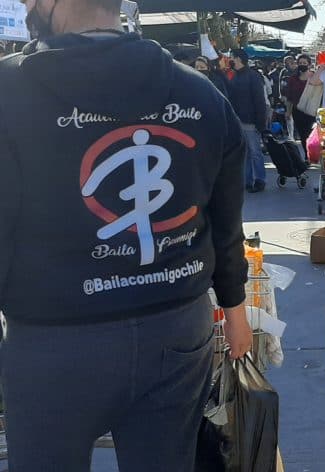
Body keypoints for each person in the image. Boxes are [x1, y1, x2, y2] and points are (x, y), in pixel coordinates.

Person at [0, 0, 252, 469]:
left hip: (54, 339)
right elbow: (225, 223)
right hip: (176, 328)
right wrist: (235, 311)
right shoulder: (201, 94)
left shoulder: (9, 91)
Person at [228, 48, 271, 192]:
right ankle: (247, 181)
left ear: (238, 59)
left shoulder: (253, 76)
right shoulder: (235, 76)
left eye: (232, 57)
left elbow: (259, 101)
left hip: (250, 121)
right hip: (238, 120)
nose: (230, 59)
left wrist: (261, 122)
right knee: (245, 153)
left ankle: (260, 180)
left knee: (255, 152)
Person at [284, 53, 317, 150]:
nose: (302, 64)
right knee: (303, 135)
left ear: (309, 65)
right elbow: (289, 97)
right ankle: (307, 156)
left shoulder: (315, 77)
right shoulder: (293, 79)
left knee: (312, 133)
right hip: (297, 110)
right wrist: (288, 111)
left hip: (312, 110)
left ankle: (313, 154)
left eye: (304, 63)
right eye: (300, 63)